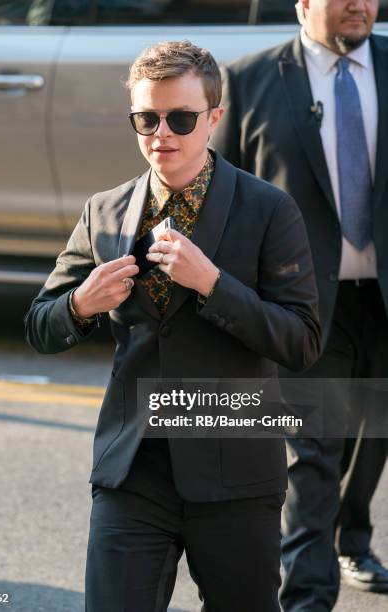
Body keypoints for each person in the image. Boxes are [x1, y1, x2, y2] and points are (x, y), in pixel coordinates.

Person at [24, 40, 321, 612]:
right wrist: (81, 305)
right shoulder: (104, 210)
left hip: (234, 472)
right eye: (146, 118)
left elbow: (301, 341)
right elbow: (41, 324)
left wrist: (214, 283)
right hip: (132, 470)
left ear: (213, 117)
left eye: (181, 118)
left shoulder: (269, 210)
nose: (162, 133)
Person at [211, 0, 388, 609]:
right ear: (304, 4)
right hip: (302, 302)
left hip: (383, 300)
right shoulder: (248, 80)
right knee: (311, 451)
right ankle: (310, 599)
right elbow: (222, 195)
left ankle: (353, 535)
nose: (360, 6)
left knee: (374, 433)